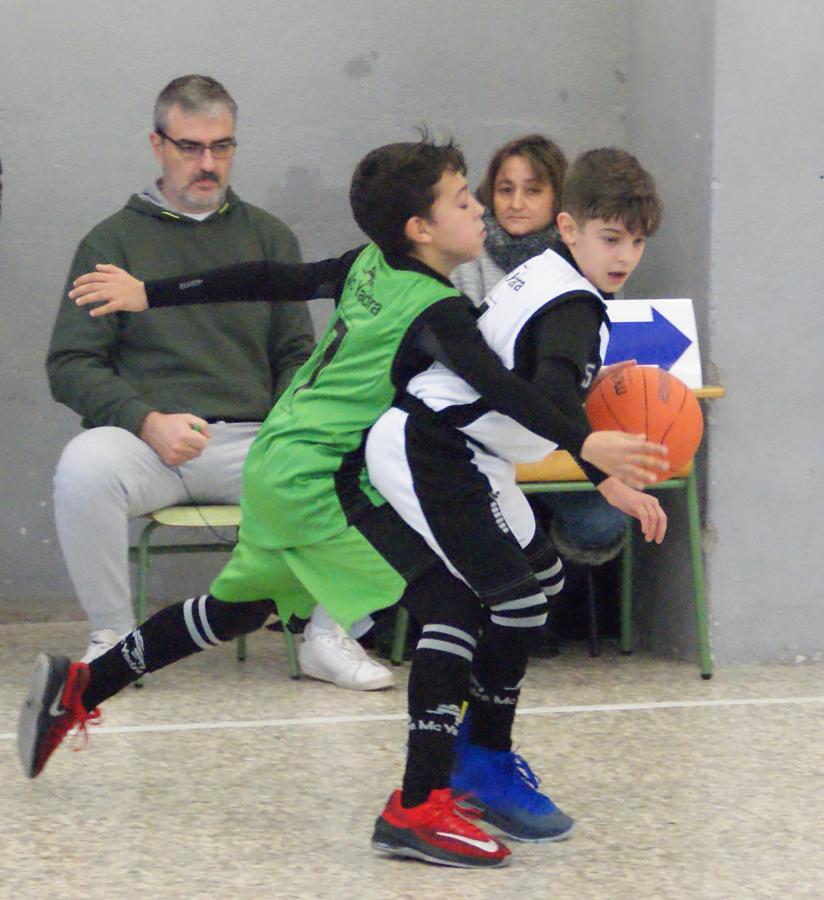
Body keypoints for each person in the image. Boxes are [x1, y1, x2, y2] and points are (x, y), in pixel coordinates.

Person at [20, 137, 666, 868]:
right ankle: (418, 807)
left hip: (278, 459)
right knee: (455, 604)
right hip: (322, 474)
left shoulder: (367, 266)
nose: (479, 207)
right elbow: (504, 388)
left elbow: (268, 277)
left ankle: (80, 687)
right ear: (421, 229)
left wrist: (152, 293)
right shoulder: (440, 310)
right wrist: (589, 448)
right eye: (462, 200)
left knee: (238, 610)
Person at [45, 74, 392, 690]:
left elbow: (296, 354)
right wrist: (146, 421)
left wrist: (293, 426)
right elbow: (71, 364)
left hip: (258, 440)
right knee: (82, 466)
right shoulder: (110, 242)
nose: (208, 164)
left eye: (222, 147)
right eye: (190, 147)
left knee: (375, 463)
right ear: (157, 146)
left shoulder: (267, 237)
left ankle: (328, 635)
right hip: (151, 443)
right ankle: (113, 642)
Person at [365, 144, 666, 852]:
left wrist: (601, 473)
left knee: (542, 578)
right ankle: (467, 770)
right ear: (570, 227)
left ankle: (476, 752)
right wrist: (596, 456)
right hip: (437, 450)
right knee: (513, 601)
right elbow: (552, 400)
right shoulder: (573, 309)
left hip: (471, 451)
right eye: (610, 237)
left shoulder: (548, 272)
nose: (624, 255)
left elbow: (534, 400)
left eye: (638, 241)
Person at [451, 135, 629, 580]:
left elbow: (572, 366)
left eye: (533, 190)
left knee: (601, 521)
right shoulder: (466, 260)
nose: (516, 202)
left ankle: (554, 604)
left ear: (560, 204)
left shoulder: (591, 260)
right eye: (505, 189)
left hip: (555, 439)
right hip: (484, 431)